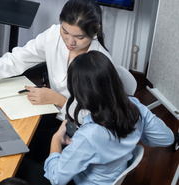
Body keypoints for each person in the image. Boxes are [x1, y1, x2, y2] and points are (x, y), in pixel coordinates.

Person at [0, 0, 112, 162]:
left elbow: (98, 121)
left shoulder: (101, 62)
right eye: (65, 31)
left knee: (17, 153)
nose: (69, 41)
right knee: (3, 132)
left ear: (95, 31)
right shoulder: (54, 35)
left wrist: (58, 99)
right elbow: (18, 58)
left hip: (78, 132)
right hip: (55, 113)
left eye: (79, 37)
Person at [44, 51, 174, 185]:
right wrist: (137, 132)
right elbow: (167, 138)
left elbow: (56, 179)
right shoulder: (134, 107)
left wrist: (56, 139)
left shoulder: (89, 135)